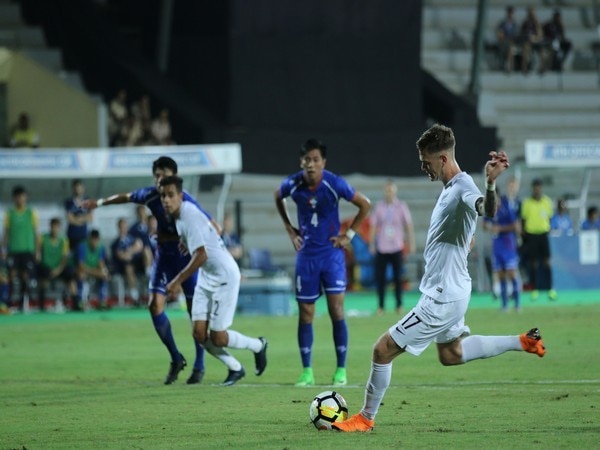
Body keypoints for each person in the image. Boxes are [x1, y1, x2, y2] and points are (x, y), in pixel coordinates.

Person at [333, 124, 546, 433]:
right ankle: (523, 341)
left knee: (382, 350)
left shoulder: (463, 186)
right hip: (453, 291)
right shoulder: (450, 190)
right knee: (451, 354)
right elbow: (464, 233)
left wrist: (489, 183)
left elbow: (488, 209)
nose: (423, 167)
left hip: (443, 296)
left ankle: (365, 419)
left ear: (443, 159)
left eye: (426, 161)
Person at [83, 156, 209, 385]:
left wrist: (183, 238)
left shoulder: (186, 201)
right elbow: (126, 197)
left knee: (194, 312)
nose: (160, 179)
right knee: (154, 305)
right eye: (157, 175)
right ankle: (175, 357)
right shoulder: (151, 195)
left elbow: (207, 223)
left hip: (184, 258)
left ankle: (200, 365)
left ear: (175, 178)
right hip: (163, 258)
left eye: (165, 174)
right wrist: (99, 203)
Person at [274, 138, 371, 387]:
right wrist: (289, 229)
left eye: (316, 160)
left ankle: (341, 370)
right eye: (307, 160)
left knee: (336, 310)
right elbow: (277, 195)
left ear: (323, 162)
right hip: (306, 256)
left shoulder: (334, 183)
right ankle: (307, 371)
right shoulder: (293, 184)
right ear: (301, 162)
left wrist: (348, 235)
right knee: (306, 314)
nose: (311, 165)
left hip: (331, 255)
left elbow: (365, 204)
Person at [160, 175, 268, 386]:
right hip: (207, 277)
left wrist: (176, 282)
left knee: (218, 336)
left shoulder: (188, 214)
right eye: (163, 195)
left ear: (180, 196)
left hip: (225, 276)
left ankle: (258, 345)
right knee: (199, 333)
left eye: (170, 195)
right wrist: (188, 243)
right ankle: (236, 368)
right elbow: (213, 231)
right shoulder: (178, 218)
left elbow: (202, 255)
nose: (166, 200)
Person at [369, 180, 415, 316]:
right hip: (382, 247)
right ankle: (381, 306)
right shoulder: (379, 207)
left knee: (398, 278)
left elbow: (408, 226)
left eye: (391, 190)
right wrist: (372, 244)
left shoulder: (401, 206)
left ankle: (399, 305)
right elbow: (372, 226)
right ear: (384, 191)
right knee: (380, 279)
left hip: (396, 247)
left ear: (395, 192)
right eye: (387, 190)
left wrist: (411, 243)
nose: (389, 193)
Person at [482, 182, 521, 312]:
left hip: (508, 244)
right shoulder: (489, 209)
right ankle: (504, 305)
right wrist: (488, 227)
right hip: (497, 245)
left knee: (511, 273)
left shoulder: (505, 206)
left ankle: (517, 303)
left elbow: (514, 225)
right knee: (501, 275)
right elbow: (484, 225)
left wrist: (500, 228)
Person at [2, 186, 40, 312]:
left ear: (26, 197)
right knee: (12, 276)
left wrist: (38, 250)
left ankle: (24, 302)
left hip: (27, 250)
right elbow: (6, 233)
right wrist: (3, 249)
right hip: (14, 250)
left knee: (26, 276)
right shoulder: (9, 213)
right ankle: (11, 302)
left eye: (22, 196)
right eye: (18, 196)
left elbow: (36, 233)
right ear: (14, 198)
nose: (20, 199)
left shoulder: (31, 212)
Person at [520, 179, 556, 301]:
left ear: (541, 188)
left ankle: (551, 289)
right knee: (533, 263)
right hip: (531, 235)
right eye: (535, 187)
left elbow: (550, 218)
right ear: (532, 188)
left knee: (547, 262)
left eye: (539, 187)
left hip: (543, 234)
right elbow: (523, 221)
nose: (537, 190)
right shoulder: (527, 203)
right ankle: (534, 289)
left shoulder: (547, 202)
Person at [37, 217, 76, 312]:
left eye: (57, 227)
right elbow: (38, 252)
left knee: (71, 273)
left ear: (59, 228)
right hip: (47, 267)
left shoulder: (64, 240)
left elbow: (65, 258)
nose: (55, 229)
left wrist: (58, 269)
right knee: (43, 273)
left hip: (59, 268)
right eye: (53, 227)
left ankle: (75, 302)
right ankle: (42, 304)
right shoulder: (43, 237)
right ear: (50, 227)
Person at [111, 218, 144, 304]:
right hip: (123, 266)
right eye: (121, 226)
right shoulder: (116, 243)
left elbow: (139, 246)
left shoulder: (132, 238)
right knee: (128, 267)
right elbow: (121, 256)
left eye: (125, 226)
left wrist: (129, 252)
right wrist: (132, 251)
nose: (123, 228)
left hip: (138, 263)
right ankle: (135, 296)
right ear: (118, 228)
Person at [75, 229, 110, 310]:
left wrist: (104, 272)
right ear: (89, 239)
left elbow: (101, 263)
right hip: (84, 270)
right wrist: (95, 272)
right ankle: (81, 301)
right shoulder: (82, 246)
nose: (95, 241)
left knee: (104, 275)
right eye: (93, 239)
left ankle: (102, 301)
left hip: (93, 270)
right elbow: (81, 265)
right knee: (81, 274)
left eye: (96, 239)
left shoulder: (101, 247)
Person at [65, 179, 94, 254]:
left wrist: (77, 218)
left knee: (82, 257)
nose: (78, 190)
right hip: (72, 235)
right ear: (73, 189)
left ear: (83, 188)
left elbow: (90, 217)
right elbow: (70, 219)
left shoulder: (87, 200)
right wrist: (83, 219)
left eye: (79, 188)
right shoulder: (69, 202)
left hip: (83, 235)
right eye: (76, 188)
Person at [128, 205, 155, 276]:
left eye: (143, 211)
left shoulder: (152, 222)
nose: (142, 213)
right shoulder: (134, 228)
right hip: (142, 250)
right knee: (146, 249)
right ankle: (148, 272)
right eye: (139, 212)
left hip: (155, 247)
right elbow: (131, 240)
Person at [495, 5, 521, 73]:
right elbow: (500, 34)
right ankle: (509, 66)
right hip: (504, 43)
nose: (511, 14)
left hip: (512, 43)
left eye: (512, 13)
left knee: (511, 47)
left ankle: (509, 66)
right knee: (510, 47)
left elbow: (517, 35)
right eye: (509, 12)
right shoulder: (502, 24)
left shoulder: (515, 24)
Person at [520, 6, 543, 74]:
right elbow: (521, 34)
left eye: (533, 14)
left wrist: (535, 38)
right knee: (525, 48)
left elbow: (540, 35)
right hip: (527, 42)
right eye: (530, 14)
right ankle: (525, 67)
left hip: (536, 42)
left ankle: (542, 68)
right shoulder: (525, 23)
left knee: (543, 50)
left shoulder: (537, 23)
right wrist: (527, 37)